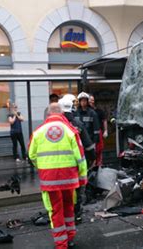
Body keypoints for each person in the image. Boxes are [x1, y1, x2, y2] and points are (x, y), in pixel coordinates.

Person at [28, 103, 87, 248]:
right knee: (69, 207)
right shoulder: (70, 130)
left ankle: (61, 243)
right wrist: (82, 177)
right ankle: (70, 237)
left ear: (48, 115)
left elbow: (32, 155)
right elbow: (80, 156)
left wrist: (42, 167)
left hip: (50, 180)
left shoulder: (38, 132)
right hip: (69, 179)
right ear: (62, 114)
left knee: (55, 210)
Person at [89, 95, 108, 166]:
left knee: (99, 149)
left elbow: (104, 120)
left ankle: (99, 164)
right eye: (90, 100)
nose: (91, 101)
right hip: (88, 132)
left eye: (92, 100)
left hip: (98, 132)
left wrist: (105, 130)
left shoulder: (99, 111)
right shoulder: (85, 111)